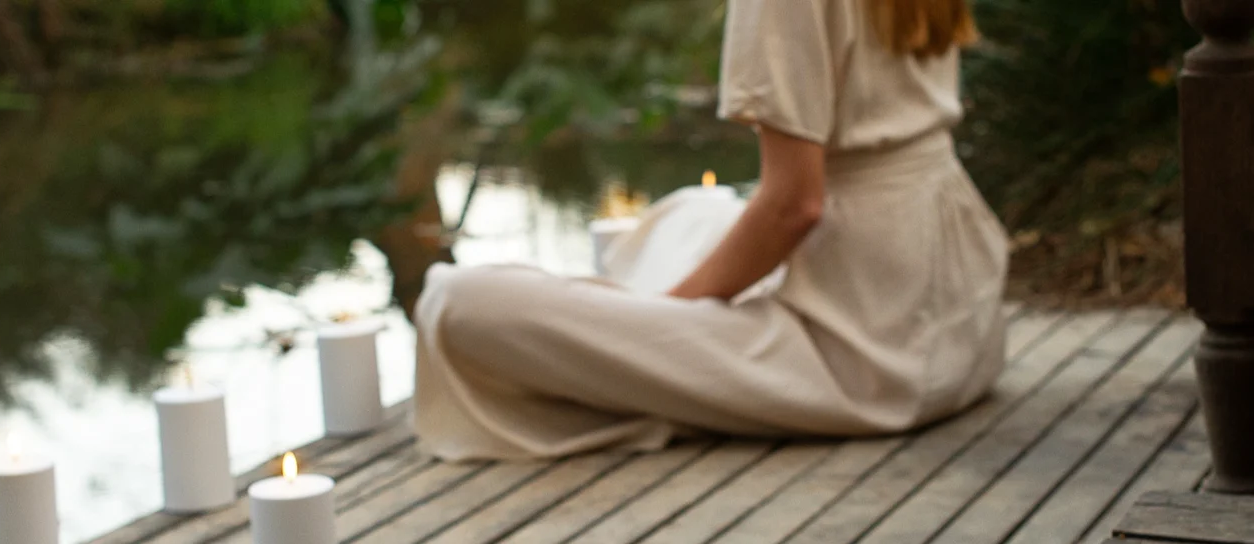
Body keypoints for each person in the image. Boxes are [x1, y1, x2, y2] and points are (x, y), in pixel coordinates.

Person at [412, 0, 1010, 461]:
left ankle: (638, 324)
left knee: (454, 301)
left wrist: (669, 320)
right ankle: (638, 317)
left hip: (866, 359)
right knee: (690, 213)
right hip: (959, 327)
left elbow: (795, 207)